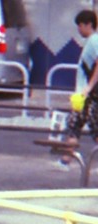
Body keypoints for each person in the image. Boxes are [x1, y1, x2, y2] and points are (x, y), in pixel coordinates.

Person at [62, 10, 98, 166]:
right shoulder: (92, 41)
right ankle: (65, 160)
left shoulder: (94, 41)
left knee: (75, 125)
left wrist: (88, 88)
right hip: (86, 95)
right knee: (76, 126)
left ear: (88, 24)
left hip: (87, 95)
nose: (78, 29)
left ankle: (65, 161)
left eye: (80, 25)